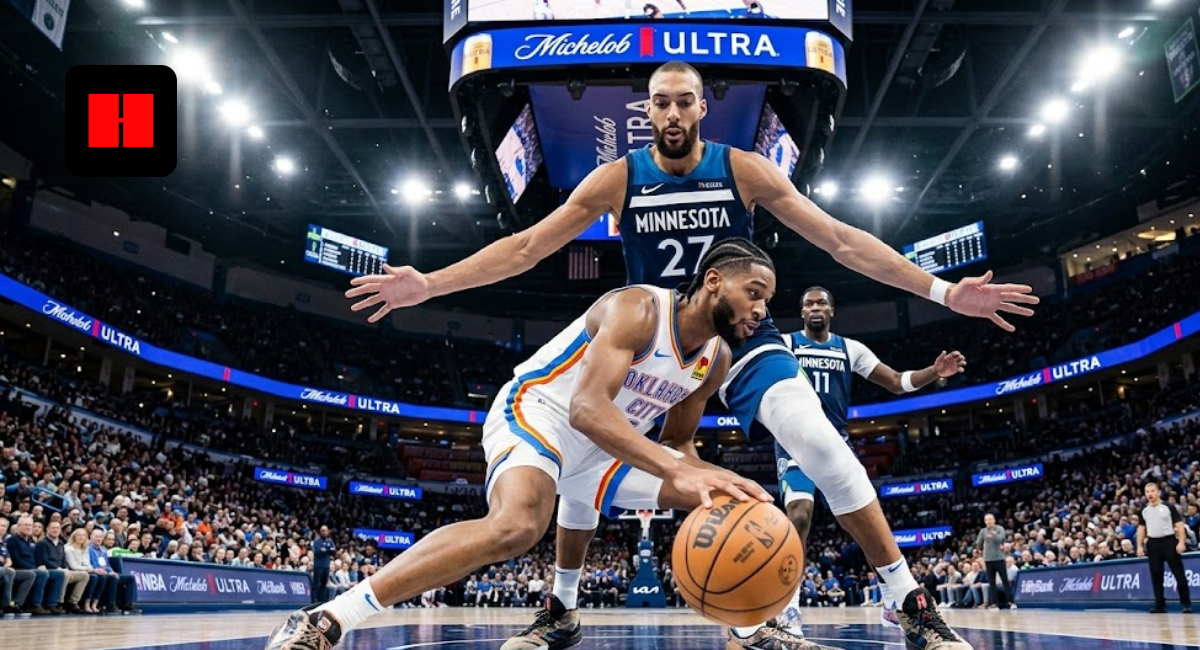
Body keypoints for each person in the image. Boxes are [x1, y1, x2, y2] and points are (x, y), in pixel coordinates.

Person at [345, 61, 1036, 650]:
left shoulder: (744, 168)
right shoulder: (620, 178)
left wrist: (944, 292)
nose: (672, 112)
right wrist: (429, 284)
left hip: (738, 340)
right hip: (657, 339)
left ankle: (906, 598)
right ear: (645, 112)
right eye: (660, 102)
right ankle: (562, 606)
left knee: (821, 443)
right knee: (581, 466)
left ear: (704, 108)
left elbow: (840, 240)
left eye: (684, 100)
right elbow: (528, 248)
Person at [265, 239, 779, 650]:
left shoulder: (717, 359)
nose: (760, 309)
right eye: (754, 292)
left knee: (737, 499)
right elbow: (586, 409)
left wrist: (700, 475)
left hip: (608, 447)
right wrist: (673, 470)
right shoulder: (639, 309)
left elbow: (679, 442)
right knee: (517, 525)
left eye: (767, 301)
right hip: (542, 415)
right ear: (714, 281)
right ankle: (328, 618)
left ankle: (745, 627)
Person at [765, 286, 966, 638]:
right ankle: (788, 608)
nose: (815, 307)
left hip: (835, 445)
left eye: (821, 303)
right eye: (808, 302)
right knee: (798, 514)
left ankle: (892, 600)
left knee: (865, 526)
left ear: (831, 311)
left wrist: (934, 372)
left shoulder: (849, 348)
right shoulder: (785, 343)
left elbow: (895, 382)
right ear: (801, 312)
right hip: (793, 443)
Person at [1138, 482, 1192, 614]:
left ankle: (1186, 604)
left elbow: (1179, 525)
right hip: (1153, 544)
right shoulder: (1144, 511)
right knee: (1156, 576)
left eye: (1152, 491)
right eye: (1147, 492)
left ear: (1158, 492)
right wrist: (1139, 546)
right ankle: (1159, 605)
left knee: (1179, 574)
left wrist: (1181, 542)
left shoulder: (1168, 507)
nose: (1150, 494)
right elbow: (1141, 529)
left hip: (1169, 542)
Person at [6, 515, 64, 614]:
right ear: (18, 526)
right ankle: (35, 605)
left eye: (30, 525)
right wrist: (35, 568)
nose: (29, 527)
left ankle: (51, 603)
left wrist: (40, 565)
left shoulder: (31, 541)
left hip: (34, 568)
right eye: (26, 525)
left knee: (59, 574)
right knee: (42, 573)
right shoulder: (12, 540)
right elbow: (16, 560)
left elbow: (37, 558)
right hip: (21, 569)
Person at [35, 520, 89, 614]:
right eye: (53, 528)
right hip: (51, 570)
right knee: (63, 574)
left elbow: (63, 559)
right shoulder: (42, 543)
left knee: (84, 575)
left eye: (57, 528)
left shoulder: (60, 543)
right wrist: (59, 568)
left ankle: (72, 602)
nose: (55, 530)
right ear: (47, 529)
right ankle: (58, 602)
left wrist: (65, 567)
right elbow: (44, 560)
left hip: (63, 570)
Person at [975, 513, 1014, 610]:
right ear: (984, 521)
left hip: (999, 558)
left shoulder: (999, 529)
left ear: (994, 520)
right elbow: (978, 542)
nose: (988, 521)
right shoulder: (983, 531)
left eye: (990, 519)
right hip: (988, 560)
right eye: (986, 520)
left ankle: (1011, 602)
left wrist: (992, 534)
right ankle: (994, 604)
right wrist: (979, 549)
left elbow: (1000, 539)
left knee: (1005, 581)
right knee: (992, 583)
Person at [312, 525, 335, 604]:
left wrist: (325, 550)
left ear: (328, 532)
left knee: (324, 584)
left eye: (326, 531)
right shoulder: (317, 541)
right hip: (318, 565)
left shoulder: (330, 541)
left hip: (326, 565)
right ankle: (313, 601)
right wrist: (327, 551)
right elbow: (317, 552)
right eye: (323, 531)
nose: (324, 532)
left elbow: (333, 551)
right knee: (316, 584)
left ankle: (321, 601)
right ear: (320, 532)